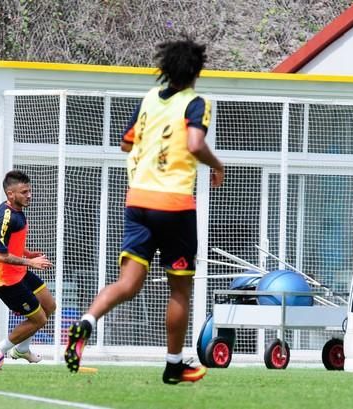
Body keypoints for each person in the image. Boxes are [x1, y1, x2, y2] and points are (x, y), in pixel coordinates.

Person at [64, 38, 225, 384]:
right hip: (173, 205)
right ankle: (173, 365)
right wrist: (217, 164)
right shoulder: (196, 103)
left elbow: (125, 141)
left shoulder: (150, 99)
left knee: (128, 282)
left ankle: (86, 322)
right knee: (179, 289)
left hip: (138, 201)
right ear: (196, 72)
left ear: (165, 69)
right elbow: (195, 144)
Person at [0, 170, 55, 363]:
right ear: (11, 194)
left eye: (29, 191)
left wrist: (27, 253)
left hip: (19, 273)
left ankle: (22, 349)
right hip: (5, 280)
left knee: (49, 305)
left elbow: (10, 244)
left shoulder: (18, 211)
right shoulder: (5, 216)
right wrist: (30, 262)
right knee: (39, 319)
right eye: (24, 192)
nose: (29, 195)